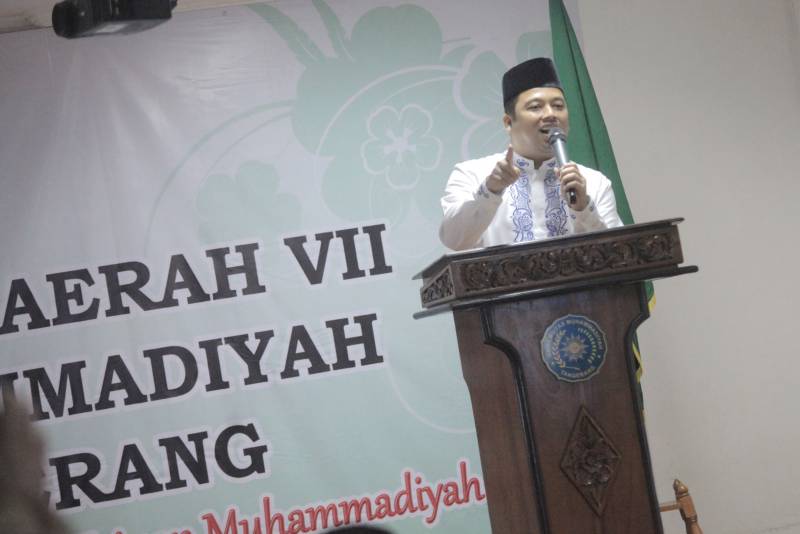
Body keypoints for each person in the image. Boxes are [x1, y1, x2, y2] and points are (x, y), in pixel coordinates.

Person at [439, 57, 623, 251]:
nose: (551, 114)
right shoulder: (472, 174)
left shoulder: (594, 182)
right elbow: (453, 240)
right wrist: (491, 190)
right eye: (535, 107)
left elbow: (619, 253)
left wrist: (584, 208)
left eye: (558, 106)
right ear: (508, 122)